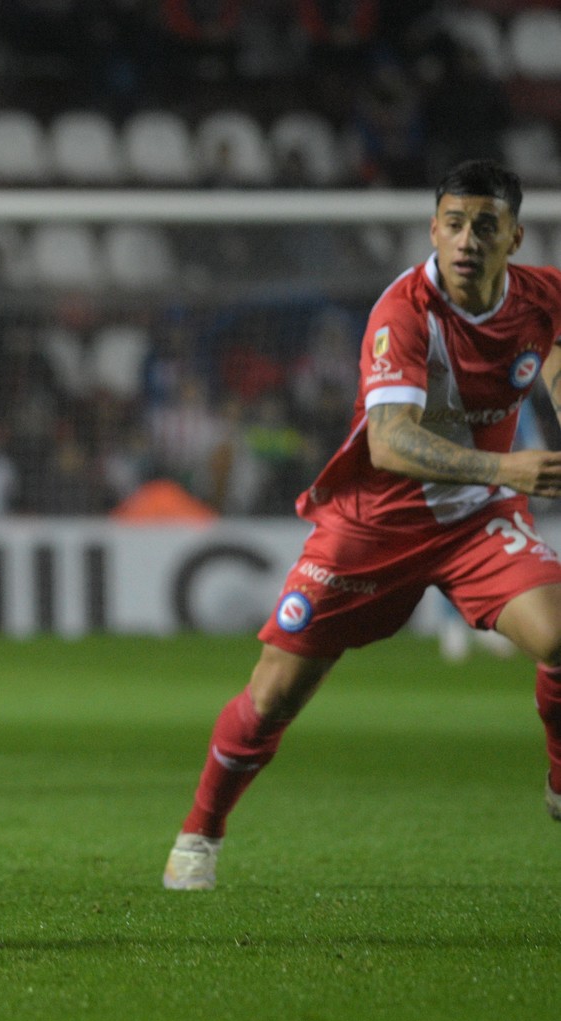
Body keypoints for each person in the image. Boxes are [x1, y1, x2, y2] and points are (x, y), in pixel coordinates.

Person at [163, 160, 561, 891]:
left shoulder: (541, 296)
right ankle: (199, 833)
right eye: (452, 222)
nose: (466, 238)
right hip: (373, 524)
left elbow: (553, 348)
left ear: (514, 236)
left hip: (477, 523)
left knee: (559, 634)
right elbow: (389, 442)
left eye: (484, 225)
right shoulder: (403, 312)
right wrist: (507, 470)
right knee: (274, 695)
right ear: (432, 228)